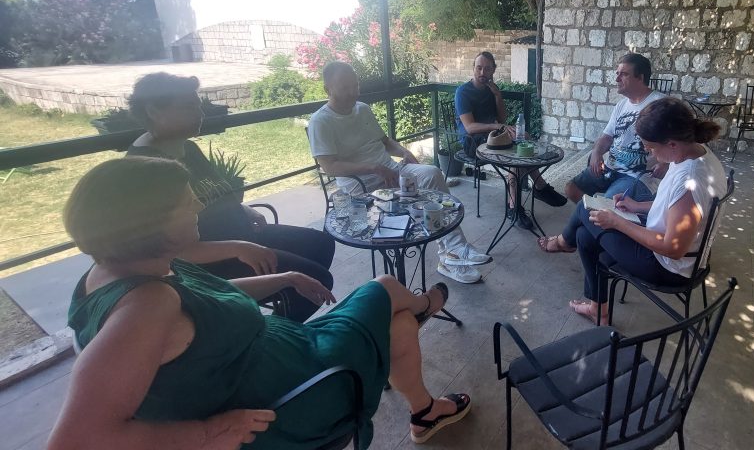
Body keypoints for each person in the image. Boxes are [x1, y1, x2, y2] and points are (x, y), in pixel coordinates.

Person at [48, 157, 472, 450]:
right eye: (186, 202)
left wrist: (285, 278)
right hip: (299, 393)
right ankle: (423, 306)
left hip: (289, 357)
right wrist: (206, 433)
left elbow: (210, 299)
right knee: (383, 287)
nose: (198, 205)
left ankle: (424, 410)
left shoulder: (126, 266)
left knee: (397, 323)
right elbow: (76, 440)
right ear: (148, 224)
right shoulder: (144, 306)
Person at [126, 72, 335, 323]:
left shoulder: (187, 147)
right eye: (189, 107)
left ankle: (274, 313)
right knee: (320, 278)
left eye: (198, 105)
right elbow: (174, 253)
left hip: (241, 235)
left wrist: (243, 209)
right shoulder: (146, 169)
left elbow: (215, 192)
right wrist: (239, 248)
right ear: (153, 111)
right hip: (208, 262)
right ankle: (265, 331)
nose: (200, 113)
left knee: (321, 244)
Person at [538, 98, 727, 325]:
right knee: (584, 235)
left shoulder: (689, 181)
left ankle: (563, 243)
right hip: (675, 252)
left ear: (671, 144)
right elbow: (672, 207)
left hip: (667, 266)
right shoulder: (696, 153)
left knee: (584, 209)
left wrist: (618, 222)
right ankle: (598, 309)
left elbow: (673, 248)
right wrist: (637, 206)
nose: (648, 152)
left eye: (651, 147)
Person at [307, 61, 491, 284]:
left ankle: (454, 251)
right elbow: (329, 166)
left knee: (432, 173)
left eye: (355, 85)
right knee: (412, 204)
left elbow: (385, 142)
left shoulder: (362, 109)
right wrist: (374, 168)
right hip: (361, 187)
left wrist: (404, 151)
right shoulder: (321, 121)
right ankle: (443, 261)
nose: (353, 92)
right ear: (328, 89)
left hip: (391, 172)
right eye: (345, 87)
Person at [455, 51, 567, 229]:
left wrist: (497, 95)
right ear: (473, 68)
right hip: (472, 143)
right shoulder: (463, 92)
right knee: (515, 146)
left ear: (493, 70)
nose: (482, 72)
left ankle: (525, 196)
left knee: (523, 138)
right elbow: (469, 127)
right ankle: (527, 195)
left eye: (487, 69)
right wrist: (497, 126)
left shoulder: (491, 90)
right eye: (479, 68)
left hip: (492, 136)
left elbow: (502, 118)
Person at [563, 53, 667, 204]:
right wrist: (597, 153)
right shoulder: (622, 105)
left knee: (610, 205)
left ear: (640, 77)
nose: (617, 79)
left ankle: (601, 216)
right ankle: (592, 216)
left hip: (638, 176)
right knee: (572, 189)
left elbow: (683, 139)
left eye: (624, 74)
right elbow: (607, 136)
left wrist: (666, 164)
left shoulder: (661, 104)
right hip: (610, 168)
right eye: (617, 73)